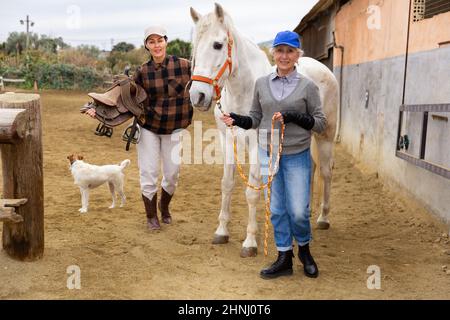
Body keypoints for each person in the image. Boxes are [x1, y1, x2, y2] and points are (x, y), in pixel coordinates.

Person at [220, 30, 326, 279]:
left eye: (290, 51)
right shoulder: (261, 83)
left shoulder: (308, 87)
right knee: (277, 209)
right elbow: (256, 119)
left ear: (297, 55)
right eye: (280, 51)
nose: (284, 56)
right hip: (269, 156)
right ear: (274, 54)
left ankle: (305, 250)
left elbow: (320, 123)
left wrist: (296, 117)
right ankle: (284, 257)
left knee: (299, 210)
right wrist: (236, 119)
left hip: (297, 155)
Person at [87, 25, 193, 231]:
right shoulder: (143, 71)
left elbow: (207, 78)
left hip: (174, 128)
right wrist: (95, 108)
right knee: (149, 173)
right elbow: (120, 94)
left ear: (166, 41)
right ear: (146, 45)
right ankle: (151, 216)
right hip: (149, 127)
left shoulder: (185, 65)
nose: (156, 45)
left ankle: (164, 206)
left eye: (159, 40)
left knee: (172, 175)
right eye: (151, 41)